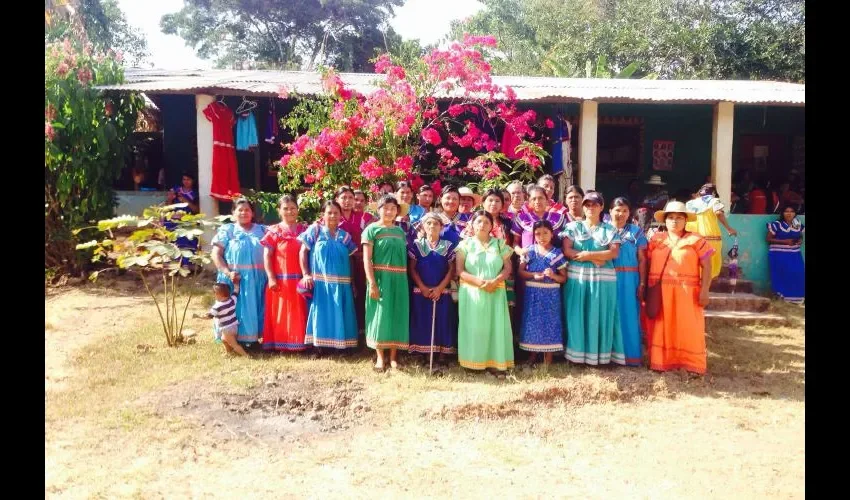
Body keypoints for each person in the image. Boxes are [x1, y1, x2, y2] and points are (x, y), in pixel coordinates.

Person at [646, 201, 714, 375]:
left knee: (688, 326)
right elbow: (646, 262)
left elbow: (707, 265)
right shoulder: (656, 239)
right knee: (661, 326)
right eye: (670, 217)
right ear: (665, 221)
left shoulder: (696, 239)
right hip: (660, 292)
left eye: (679, 218)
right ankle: (660, 362)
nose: (674, 221)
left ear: (685, 221)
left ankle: (691, 363)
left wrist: (705, 290)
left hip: (687, 292)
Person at [560, 191, 625, 366]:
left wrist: (589, 255)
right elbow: (567, 250)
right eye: (587, 204)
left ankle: (600, 356)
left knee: (600, 313)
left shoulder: (609, 229)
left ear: (602, 207)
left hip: (603, 280)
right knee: (577, 313)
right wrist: (594, 257)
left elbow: (614, 252)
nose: (591, 207)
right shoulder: (574, 227)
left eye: (595, 204)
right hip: (578, 278)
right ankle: (576, 356)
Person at [456, 210, 515, 378]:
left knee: (495, 326)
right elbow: (459, 270)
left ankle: (495, 363)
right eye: (479, 221)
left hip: (495, 291)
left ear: (492, 226)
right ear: (472, 225)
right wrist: (480, 283)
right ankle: (472, 363)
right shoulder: (464, 245)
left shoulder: (499, 244)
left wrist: (495, 281)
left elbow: (508, 267)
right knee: (474, 326)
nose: (482, 225)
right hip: (472, 291)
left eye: (486, 222)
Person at [298, 201, 359, 353]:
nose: (332, 216)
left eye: (336, 213)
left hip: (342, 283)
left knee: (341, 311)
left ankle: (341, 346)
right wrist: (305, 274)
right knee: (321, 312)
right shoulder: (315, 231)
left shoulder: (345, 237)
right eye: (329, 212)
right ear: (322, 215)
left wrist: (352, 282)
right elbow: (303, 252)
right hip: (321, 282)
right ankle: (319, 347)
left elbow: (352, 259)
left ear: (340, 216)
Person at [210, 198, 268, 347]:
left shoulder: (262, 231)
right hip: (233, 278)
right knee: (233, 309)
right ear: (233, 213)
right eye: (240, 210)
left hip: (257, 279)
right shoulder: (227, 230)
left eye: (247, 210)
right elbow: (216, 254)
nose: (244, 213)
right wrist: (227, 272)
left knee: (255, 308)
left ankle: (252, 339)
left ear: (253, 213)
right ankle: (231, 340)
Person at [363, 195, 410, 371]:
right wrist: (372, 283)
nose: (389, 211)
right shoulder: (371, 230)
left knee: (397, 315)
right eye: (386, 207)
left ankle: (393, 357)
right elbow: (367, 260)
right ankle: (380, 358)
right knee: (380, 316)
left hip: (399, 279)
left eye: (393, 208)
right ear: (379, 209)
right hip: (381, 277)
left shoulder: (400, 232)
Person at [407, 212, 457, 367]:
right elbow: (412, 268)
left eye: (436, 223)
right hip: (421, 291)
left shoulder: (447, 246)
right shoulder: (416, 245)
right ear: (423, 226)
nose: (432, 226)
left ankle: (442, 354)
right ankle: (425, 352)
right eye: (428, 223)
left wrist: (440, 288)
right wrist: (422, 287)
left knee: (442, 321)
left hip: (441, 291)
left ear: (441, 227)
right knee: (423, 320)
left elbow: (451, 269)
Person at [260, 195, 308, 352]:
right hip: (281, 281)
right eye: (285, 208)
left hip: (300, 281)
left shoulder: (305, 230)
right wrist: (271, 277)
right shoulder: (273, 231)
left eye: (293, 208)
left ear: (298, 209)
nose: (290, 211)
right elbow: (267, 255)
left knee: (300, 313)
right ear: (279, 211)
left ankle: (301, 344)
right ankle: (281, 344)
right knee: (281, 313)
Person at [518, 220, 567, 367]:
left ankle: (548, 359)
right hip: (532, 293)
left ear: (552, 234)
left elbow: (564, 278)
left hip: (550, 295)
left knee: (550, 323)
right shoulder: (529, 251)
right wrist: (533, 275)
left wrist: (553, 276)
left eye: (545, 233)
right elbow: (520, 272)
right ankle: (532, 356)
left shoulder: (557, 254)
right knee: (532, 322)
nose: (542, 236)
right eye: (538, 233)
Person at [609, 197, 648, 367]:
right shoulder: (604, 230)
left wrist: (642, 283)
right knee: (609, 314)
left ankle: (630, 357)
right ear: (610, 211)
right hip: (607, 278)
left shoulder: (636, 232)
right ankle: (608, 355)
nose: (621, 214)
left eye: (625, 210)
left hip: (630, 279)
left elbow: (642, 259)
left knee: (629, 315)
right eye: (617, 210)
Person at [336, 186, 375, 335]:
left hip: (361, 263)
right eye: (343, 197)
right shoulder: (331, 216)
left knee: (362, 294)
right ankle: (344, 331)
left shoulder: (365, 218)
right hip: (340, 264)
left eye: (350, 198)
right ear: (337, 200)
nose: (347, 201)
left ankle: (362, 331)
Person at [685, 183, 738, 279]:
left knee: (694, 263)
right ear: (713, 192)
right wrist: (729, 228)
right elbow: (718, 213)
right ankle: (705, 289)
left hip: (692, 237)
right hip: (709, 236)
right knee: (710, 264)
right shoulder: (714, 201)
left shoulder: (690, 203)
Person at [193, 277, 250, 357]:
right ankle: (229, 353)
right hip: (234, 327)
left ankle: (246, 355)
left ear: (217, 294)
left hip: (226, 329)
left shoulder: (217, 306)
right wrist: (236, 282)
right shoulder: (232, 300)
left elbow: (209, 316)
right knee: (223, 339)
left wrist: (199, 316)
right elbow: (236, 290)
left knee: (234, 345)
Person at [766, 203, 805, 304]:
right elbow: (768, 239)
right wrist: (785, 242)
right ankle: (782, 298)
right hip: (779, 254)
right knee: (782, 274)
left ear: (795, 213)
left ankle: (796, 299)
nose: (789, 214)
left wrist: (800, 240)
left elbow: (800, 236)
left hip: (795, 254)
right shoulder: (776, 225)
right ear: (782, 213)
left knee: (798, 273)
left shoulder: (797, 224)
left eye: (792, 211)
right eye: (786, 211)